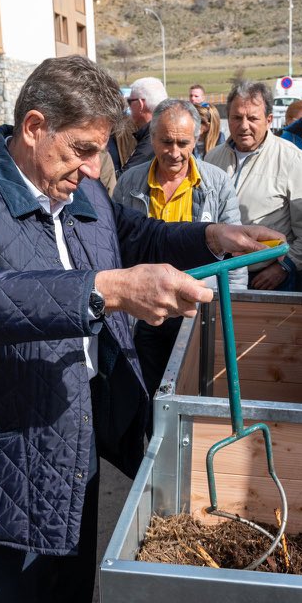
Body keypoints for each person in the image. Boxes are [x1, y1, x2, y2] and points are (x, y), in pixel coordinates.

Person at [0, 55, 283, 603]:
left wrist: (210, 235)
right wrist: (108, 289)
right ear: (36, 127)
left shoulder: (80, 189)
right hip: (11, 437)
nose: (94, 168)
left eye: (99, 151)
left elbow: (134, 233)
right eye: (83, 149)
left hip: (77, 421)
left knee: (72, 591)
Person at [114, 98, 246, 397]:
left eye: (183, 143)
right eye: (166, 142)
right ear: (152, 138)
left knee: (194, 391)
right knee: (145, 395)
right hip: (146, 313)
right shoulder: (130, 183)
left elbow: (235, 258)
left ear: (197, 138)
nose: (174, 153)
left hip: (198, 312)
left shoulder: (218, 184)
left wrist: (231, 311)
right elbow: (117, 246)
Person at [204, 81, 302, 291]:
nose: (244, 125)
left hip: (270, 281)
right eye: (237, 117)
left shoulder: (293, 160)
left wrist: (284, 267)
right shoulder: (212, 158)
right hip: (218, 276)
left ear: (269, 120)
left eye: (253, 118)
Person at [123, 76, 167, 172]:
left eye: (129, 101)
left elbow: (125, 176)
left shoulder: (152, 140)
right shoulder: (160, 131)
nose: (128, 107)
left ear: (140, 104)